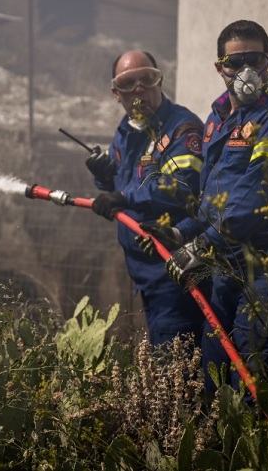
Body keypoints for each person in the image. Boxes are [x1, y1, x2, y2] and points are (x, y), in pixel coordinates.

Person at [153, 20, 268, 398]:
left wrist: (202, 245)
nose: (245, 70)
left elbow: (261, 195)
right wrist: (183, 231)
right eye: (234, 62)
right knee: (213, 372)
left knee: (250, 376)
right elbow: (216, 196)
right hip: (229, 263)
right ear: (219, 67)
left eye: (253, 60)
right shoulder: (217, 119)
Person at [86, 50, 207, 347]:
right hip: (143, 274)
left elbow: (180, 186)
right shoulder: (126, 131)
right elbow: (124, 182)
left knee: (174, 360)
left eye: (147, 79)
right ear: (116, 94)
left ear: (160, 81)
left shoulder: (183, 128)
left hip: (175, 270)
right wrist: (104, 177)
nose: (139, 89)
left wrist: (122, 196)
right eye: (128, 83)